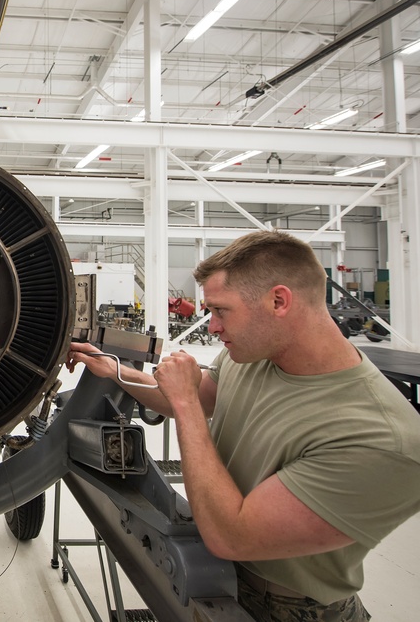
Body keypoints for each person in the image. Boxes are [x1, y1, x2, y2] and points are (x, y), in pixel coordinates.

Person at [67, 230, 420, 622]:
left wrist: (185, 405)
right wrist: (114, 370)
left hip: (287, 608)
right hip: (215, 574)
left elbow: (232, 535)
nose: (213, 327)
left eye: (221, 311)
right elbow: (193, 394)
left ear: (278, 301)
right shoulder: (252, 356)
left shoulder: (382, 437)